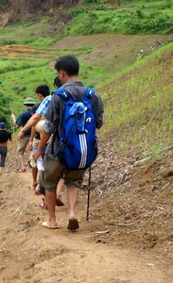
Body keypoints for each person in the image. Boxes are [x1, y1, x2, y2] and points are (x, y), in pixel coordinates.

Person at [34, 55, 104, 231]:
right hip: (82, 151)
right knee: (73, 181)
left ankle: (52, 220)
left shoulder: (58, 96)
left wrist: (39, 149)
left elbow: (49, 127)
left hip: (58, 150)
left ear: (62, 73)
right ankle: (72, 213)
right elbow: (99, 123)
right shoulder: (92, 95)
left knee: (49, 182)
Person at [19, 80, 65, 206]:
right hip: (66, 141)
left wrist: (29, 138)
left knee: (42, 167)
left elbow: (35, 123)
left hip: (45, 140)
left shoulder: (46, 102)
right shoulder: (75, 98)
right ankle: (58, 194)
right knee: (61, 170)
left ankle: (42, 193)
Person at [11, 97, 35, 172]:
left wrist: (13, 118)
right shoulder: (36, 112)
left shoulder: (24, 113)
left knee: (20, 151)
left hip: (25, 135)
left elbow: (17, 125)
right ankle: (31, 158)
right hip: (35, 135)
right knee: (33, 148)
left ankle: (23, 167)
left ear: (26, 105)